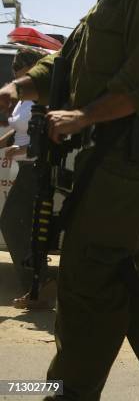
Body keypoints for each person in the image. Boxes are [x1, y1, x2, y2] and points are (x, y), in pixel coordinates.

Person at [0, 0, 139, 399]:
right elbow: (66, 65)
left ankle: (69, 392)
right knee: (122, 277)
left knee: (88, 281)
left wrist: (84, 116)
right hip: (101, 161)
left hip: (130, 165)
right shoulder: (108, 1)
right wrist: (17, 88)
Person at [0, 48, 56, 310]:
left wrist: (19, 150)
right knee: (27, 228)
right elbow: (20, 127)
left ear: (31, 67)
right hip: (26, 168)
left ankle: (38, 286)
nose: (14, 73)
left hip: (36, 167)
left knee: (13, 222)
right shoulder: (26, 96)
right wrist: (5, 140)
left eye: (17, 67)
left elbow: (42, 134)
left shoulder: (40, 94)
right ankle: (37, 286)